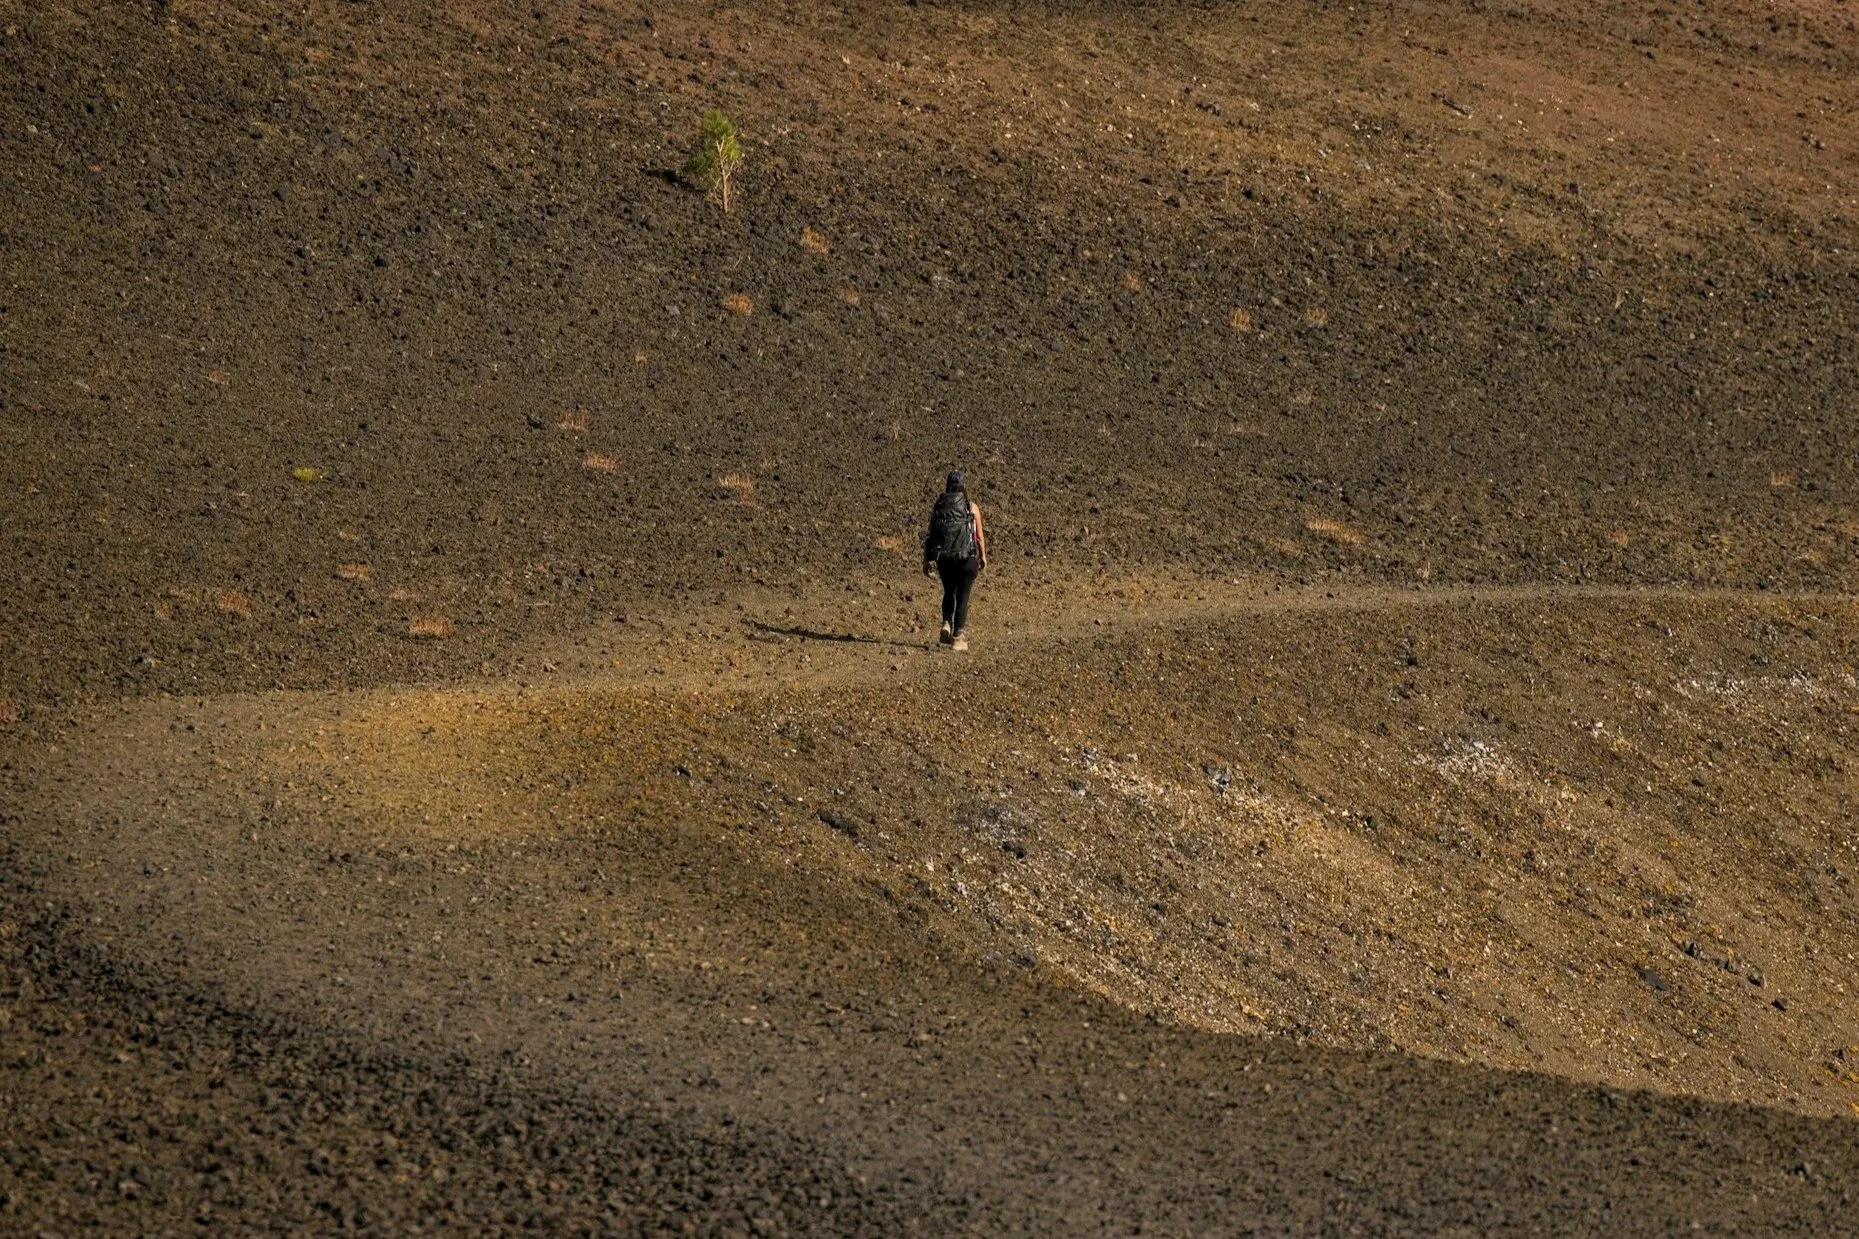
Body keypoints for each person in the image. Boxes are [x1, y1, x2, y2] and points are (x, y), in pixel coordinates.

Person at [922, 470, 988, 650]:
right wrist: (983, 556)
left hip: (944, 559)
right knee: (963, 596)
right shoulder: (971, 507)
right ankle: (958, 637)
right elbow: (979, 538)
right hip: (967, 558)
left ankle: (946, 622)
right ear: (963, 486)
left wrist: (927, 560)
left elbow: (930, 535)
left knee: (949, 591)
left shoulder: (939, 506)